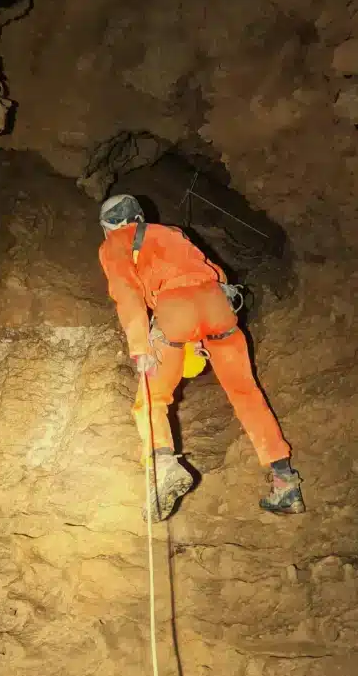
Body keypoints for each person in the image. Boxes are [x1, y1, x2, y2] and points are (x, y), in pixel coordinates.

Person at [98, 194, 305, 521]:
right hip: (219, 309)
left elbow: (127, 295)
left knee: (152, 400)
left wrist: (139, 347)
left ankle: (163, 462)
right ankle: (285, 482)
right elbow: (216, 274)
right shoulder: (170, 233)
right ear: (139, 216)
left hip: (175, 314)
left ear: (108, 227)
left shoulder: (114, 245)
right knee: (246, 394)